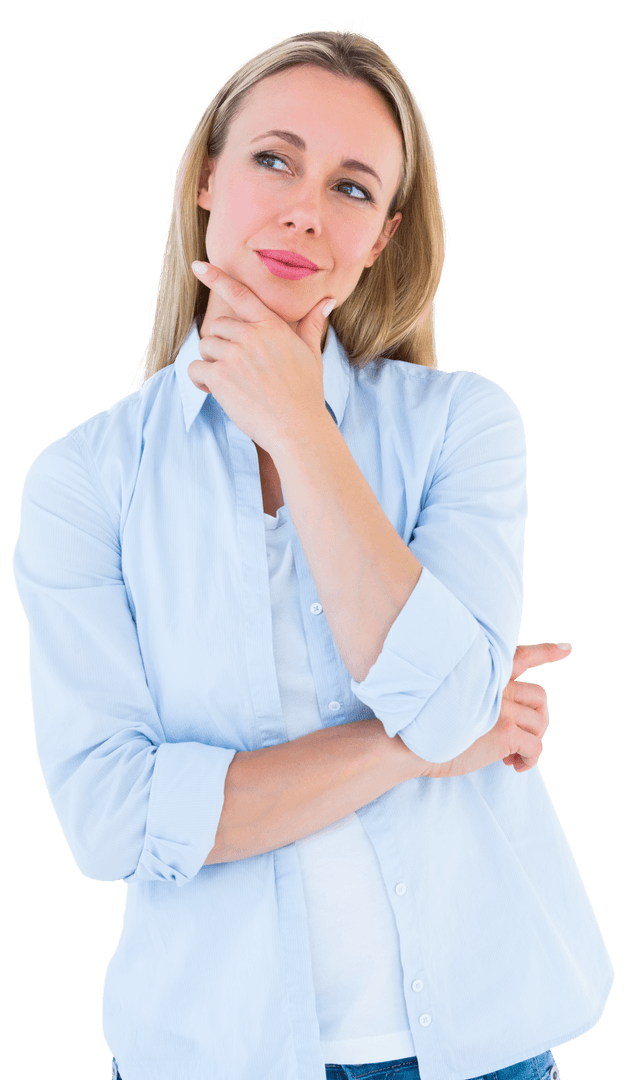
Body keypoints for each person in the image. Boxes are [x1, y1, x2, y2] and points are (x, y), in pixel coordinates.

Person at [12, 25, 613, 1080]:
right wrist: (413, 748)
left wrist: (299, 427)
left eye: (351, 187)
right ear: (207, 178)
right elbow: (111, 821)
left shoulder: (460, 425)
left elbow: (447, 708)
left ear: (381, 236)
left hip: (481, 1049)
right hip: (212, 1055)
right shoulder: (85, 481)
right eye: (273, 160)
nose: (304, 209)